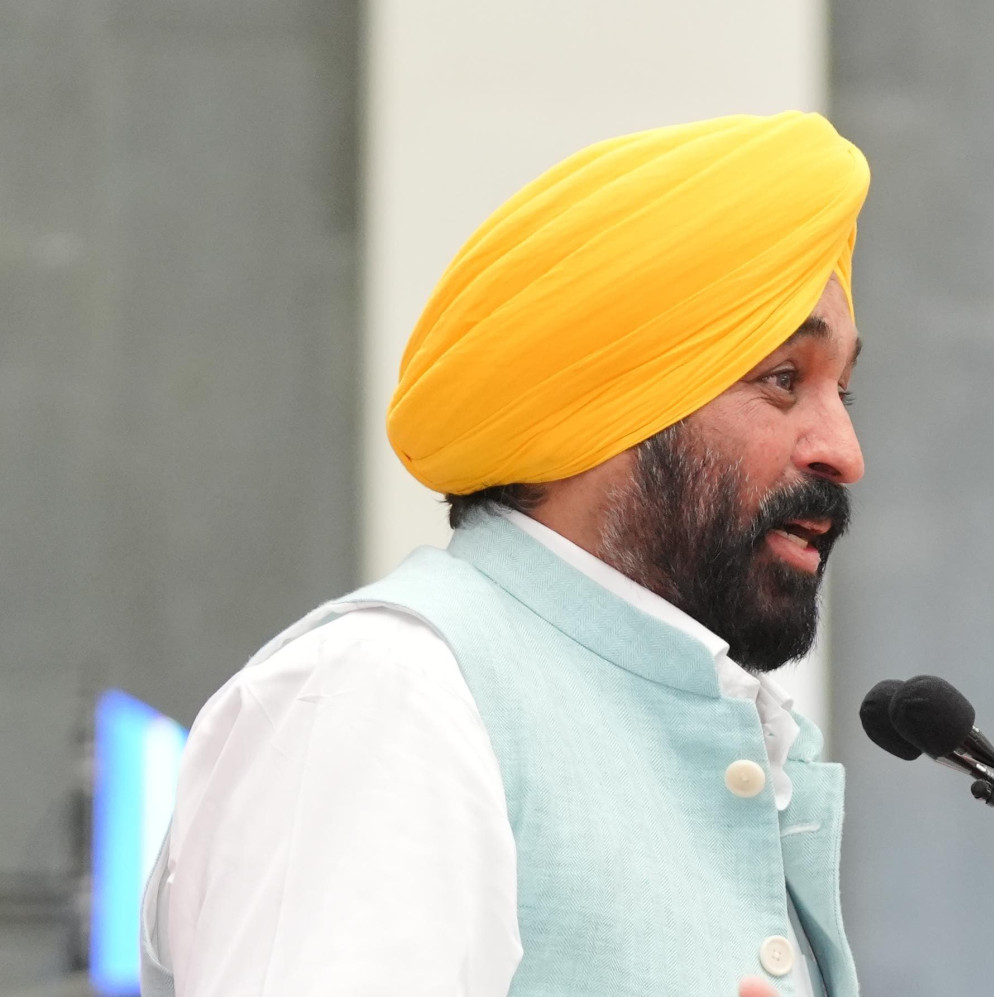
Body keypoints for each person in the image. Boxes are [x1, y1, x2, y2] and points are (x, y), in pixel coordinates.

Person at [140, 110, 870, 997]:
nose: (845, 451)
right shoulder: (387, 692)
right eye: (783, 380)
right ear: (612, 400)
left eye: (844, 391)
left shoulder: (730, 729)